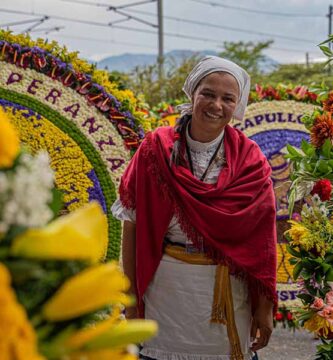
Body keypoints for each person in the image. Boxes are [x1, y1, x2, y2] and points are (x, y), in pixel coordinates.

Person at [112, 56, 277, 360]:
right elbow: (131, 225)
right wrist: (131, 298)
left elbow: (263, 240)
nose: (216, 105)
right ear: (192, 94)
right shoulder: (154, 149)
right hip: (166, 293)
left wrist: (264, 309)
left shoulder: (250, 160)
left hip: (228, 297)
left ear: (237, 105)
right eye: (208, 94)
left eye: (228, 98)